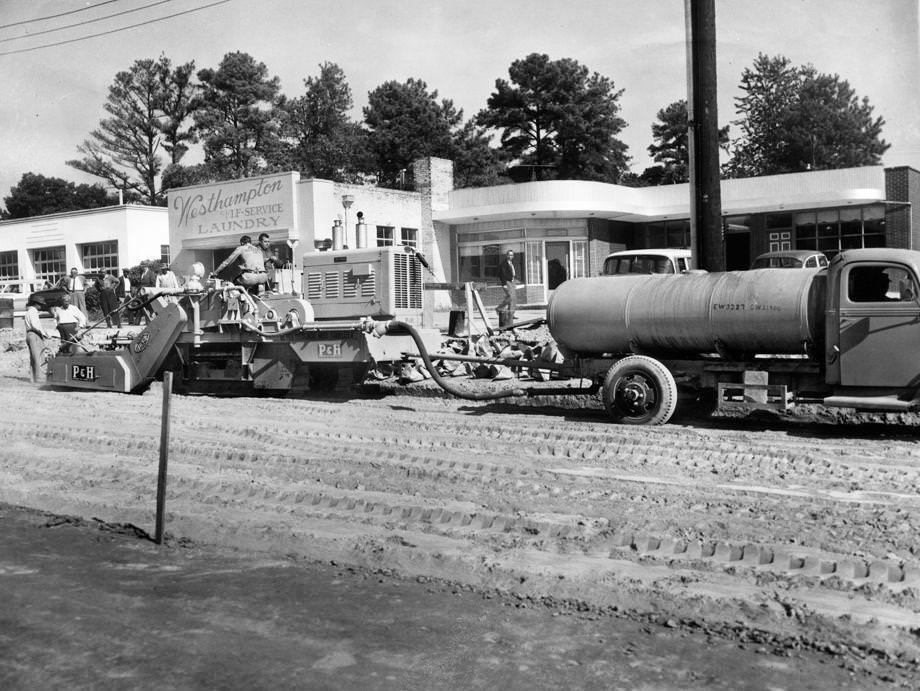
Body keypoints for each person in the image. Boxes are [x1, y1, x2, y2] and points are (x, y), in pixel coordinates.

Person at [23, 297, 53, 383]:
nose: (42, 306)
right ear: (36, 304)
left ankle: (34, 378)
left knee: (34, 357)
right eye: (41, 305)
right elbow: (35, 325)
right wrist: (44, 333)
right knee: (39, 356)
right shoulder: (33, 312)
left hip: (30, 334)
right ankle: (40, 378)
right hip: (34, 334)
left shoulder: (29, 311)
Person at [496, 249, 518, 327]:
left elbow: (512, 272)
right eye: (509, 255)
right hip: (507, 282)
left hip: (512, 281)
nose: (510, 256)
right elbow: (502, 274)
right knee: (510, 297)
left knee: (513, 298)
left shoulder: (511, 263)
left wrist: (515, 280)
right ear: (507, 255)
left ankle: (511, 314)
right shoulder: (503, 264)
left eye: (512, 255)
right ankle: (499, 308)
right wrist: (504, 284)